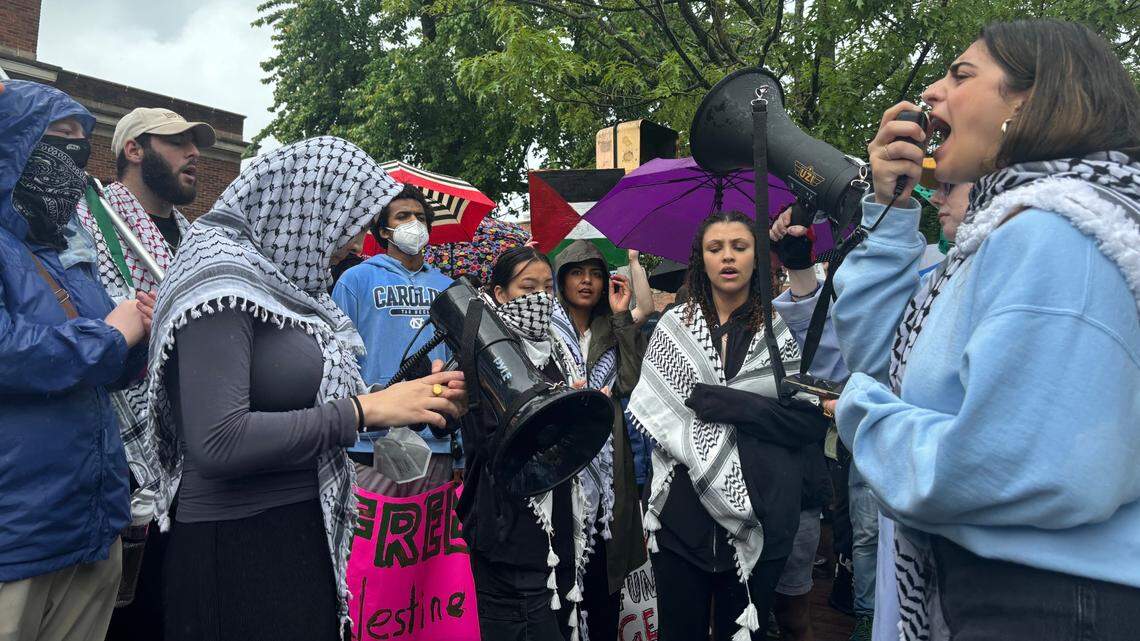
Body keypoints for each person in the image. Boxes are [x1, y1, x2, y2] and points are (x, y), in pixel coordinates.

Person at [830, 19, 1140, 641]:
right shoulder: (1004, 233)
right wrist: (889, 209)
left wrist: (863, 418)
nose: (932, 93)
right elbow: (883, 362)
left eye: (961, 75)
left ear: (1029, 100)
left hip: (1046, 606)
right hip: (1005, 593)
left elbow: (1019, 466)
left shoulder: (1059, 233)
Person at [141, 137, 467, 641]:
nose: (357, 246)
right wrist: (362, 411)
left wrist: (416, 397)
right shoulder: (220, 277)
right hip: (238, 549)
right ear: (311, 205)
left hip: (299, 528)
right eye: (351, 225)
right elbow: (218, 442)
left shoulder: (291, 290)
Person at [628, 210, 842, 641]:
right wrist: (755, 408)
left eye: (740, 247)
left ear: (756, 257)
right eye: (716, 248)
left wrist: (732, 404)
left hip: (762, 517)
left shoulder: (781, 333)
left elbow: (807, 422)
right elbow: (659, 415)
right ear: (701, 259)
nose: (728, 257)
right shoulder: (673, 327)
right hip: (681, 520)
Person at [0, 80, 154, 641]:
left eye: (80, 144)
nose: (73, 156)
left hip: (90, 524)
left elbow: (103, 364)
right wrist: (111, 336)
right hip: (18, 538)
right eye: (57, 138)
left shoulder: (68, 250)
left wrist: (139, 338)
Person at [73, 106, 215, 641]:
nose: (194, 154)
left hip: (194, 449)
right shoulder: (88, 219)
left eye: (195, 144)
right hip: (120, 454)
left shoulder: (197, 239)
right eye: (177, 142)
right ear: (134, 150)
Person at [456, 246, 585, 641]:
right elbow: (489, 437)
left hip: (557, 524)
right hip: (507, 529)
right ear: (500, 294)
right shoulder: (484, 352)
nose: (540, 298)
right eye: (528, 288)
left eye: (547, 288)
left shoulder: (557, 348)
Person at [332, 184, 460, 494]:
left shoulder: (448, 287)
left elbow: (459, 362)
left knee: (428, 526)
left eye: (420, 217)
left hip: (436, 436)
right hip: (371, 439)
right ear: (384, 231)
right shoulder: (355, 280)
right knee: (371, 525)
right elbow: (337, 357)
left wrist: (460, 445)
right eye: (403, 216)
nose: (414, 223)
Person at [550, 240, 647, 641]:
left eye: (595, 273)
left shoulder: (612, 326)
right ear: (561, 280)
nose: (587, 281)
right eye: (576, 272)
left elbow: (631, 381)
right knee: (561, 572)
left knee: (603, 577)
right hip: (560, 466)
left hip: (608, 466)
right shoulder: (546, 329)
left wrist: (622, 316)